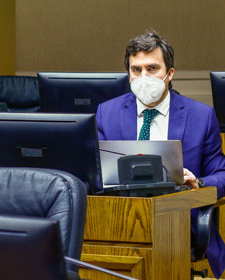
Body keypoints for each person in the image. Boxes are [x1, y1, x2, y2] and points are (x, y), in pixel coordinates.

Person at [96, 30, 225, 277]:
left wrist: (198, 183)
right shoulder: (107, 112)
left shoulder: (201, 116)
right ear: (128, 74)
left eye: (152, 68)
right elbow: (96, 171)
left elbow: (222, 173)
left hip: (179, 222)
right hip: (120, 221)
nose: (144, 77)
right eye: (136, 70)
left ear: (169, 74)